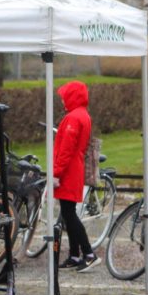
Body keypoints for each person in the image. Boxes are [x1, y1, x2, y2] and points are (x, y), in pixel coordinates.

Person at [53, 80, 98, 272]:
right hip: (74, 168)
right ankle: (74, 254)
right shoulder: (83, 115)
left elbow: (66, 149)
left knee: (69, 214)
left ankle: (88, 253)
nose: (62, 100)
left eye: (65, 97)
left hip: (69, 171)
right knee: (67, 212)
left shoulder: (73, 118)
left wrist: (56, 173)